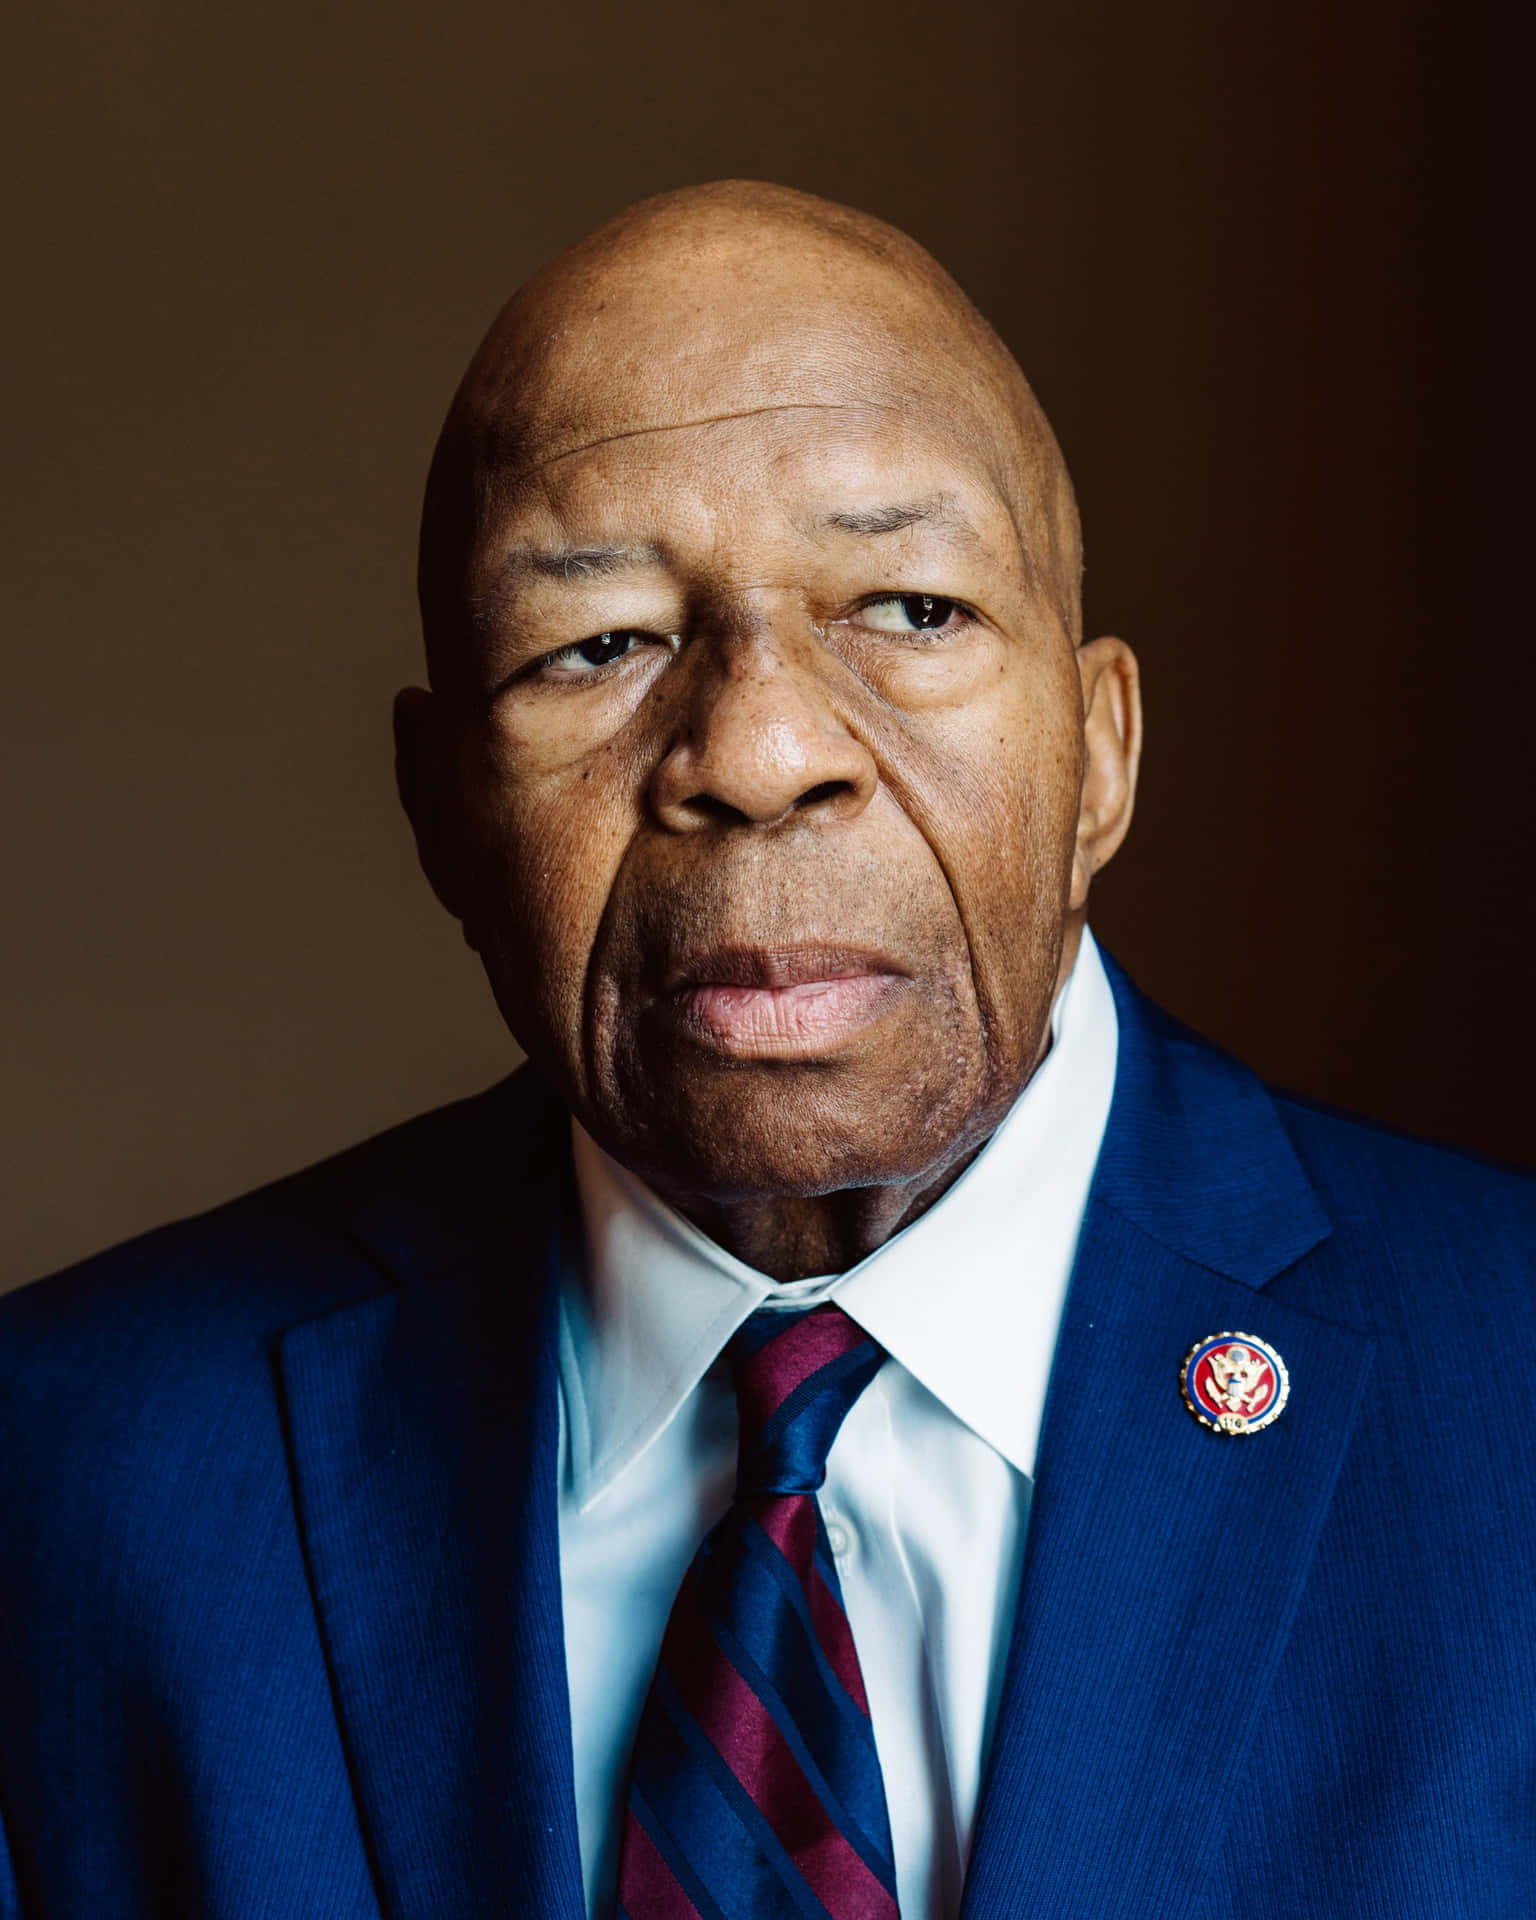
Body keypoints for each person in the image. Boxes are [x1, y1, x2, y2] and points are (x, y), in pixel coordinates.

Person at [0, 180, 1531, 1920]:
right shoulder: (56, 1480)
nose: (761, 745)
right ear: (440, 816)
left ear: (1101, 751)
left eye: (907, 607)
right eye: (600, 643)